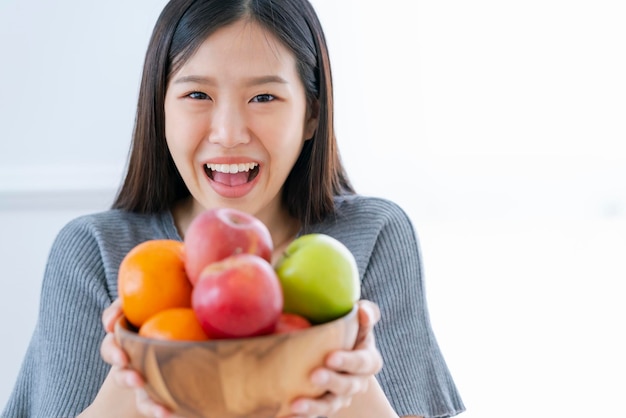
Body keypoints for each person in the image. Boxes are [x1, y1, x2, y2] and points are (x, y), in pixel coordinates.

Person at [2, 0, 465, 417]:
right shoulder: (97, 252)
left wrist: (352, 382)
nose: (228, 133)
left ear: (311, 115)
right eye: (197, 95)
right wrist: (135, 373)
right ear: (159, 109)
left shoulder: (373, 235)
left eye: (264, 97)